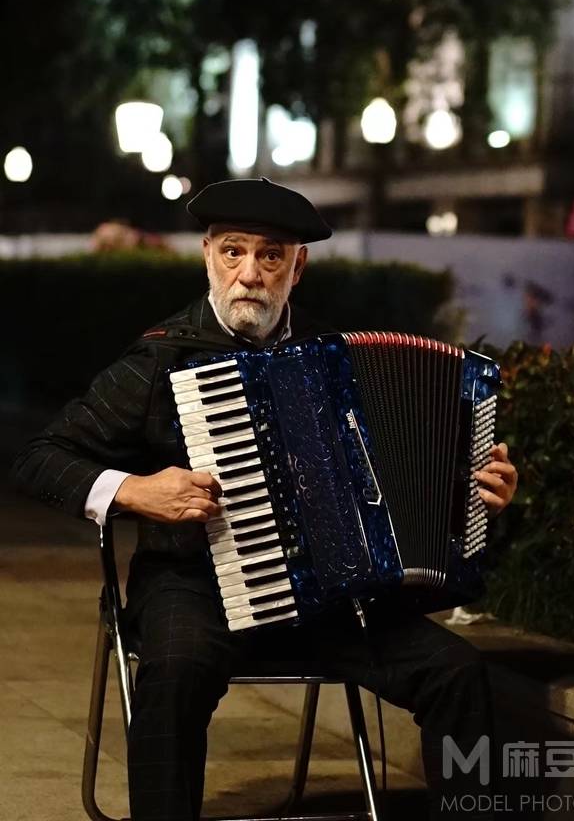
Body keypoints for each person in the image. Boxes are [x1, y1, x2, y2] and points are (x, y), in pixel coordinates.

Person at [12, 177, 518, 821]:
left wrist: (476, 497)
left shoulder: (335, 361)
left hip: (330, 598)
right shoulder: (160, 361)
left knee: (457, 672)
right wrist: (137, 490)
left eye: (270, 255)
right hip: (193, 589)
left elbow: (393, 489)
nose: (249, 273)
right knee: (173, 672)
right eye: (233, 252)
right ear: (208, 257)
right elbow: (38, 459)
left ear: (297, 267)